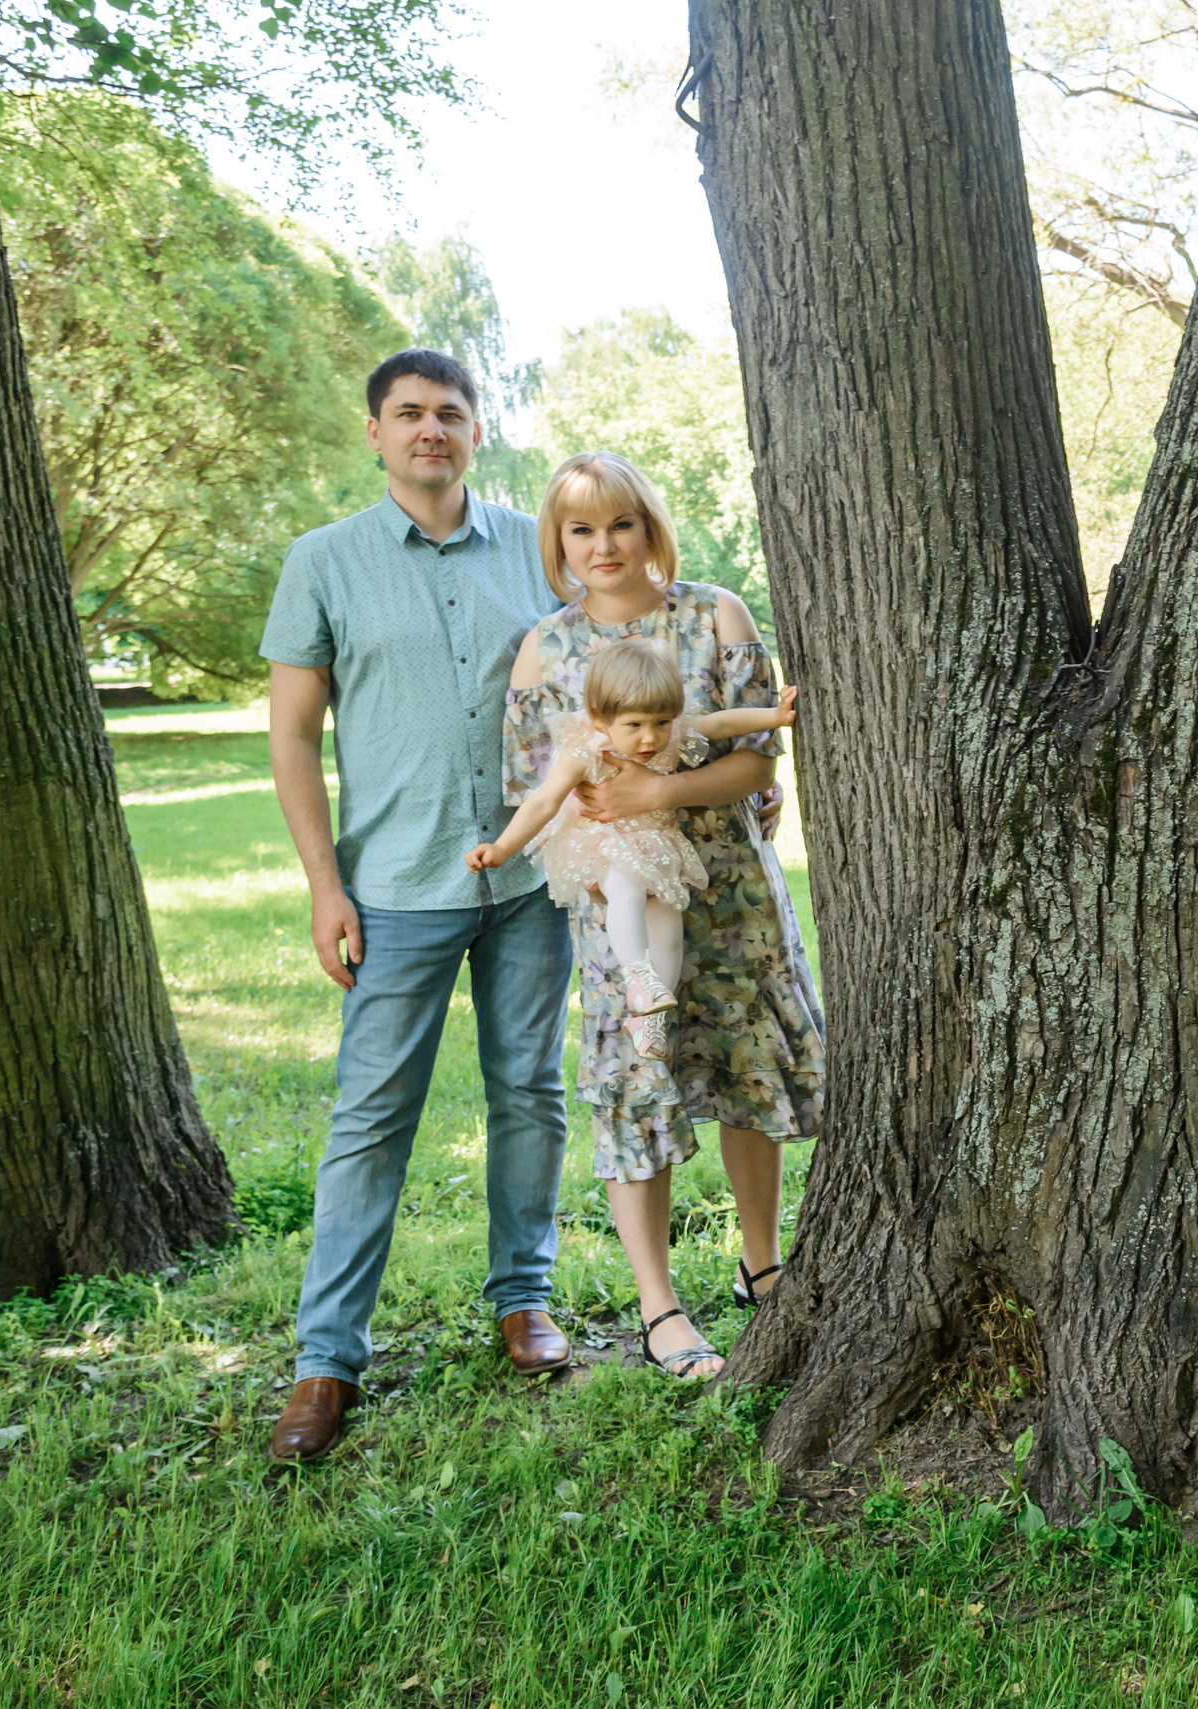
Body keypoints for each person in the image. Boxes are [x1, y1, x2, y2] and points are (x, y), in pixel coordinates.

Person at [262, 349, 573, 1464]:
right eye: (409, 414)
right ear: (375, 434)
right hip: (393, 889)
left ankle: (522, 1299)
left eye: (450, 411)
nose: (430, 429)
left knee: (529, 1092)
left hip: (532, 883)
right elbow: (292, 735)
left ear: (476, 431)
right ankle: (324, 1358)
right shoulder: (323, 561)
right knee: (369, 1120)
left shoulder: (538, 554)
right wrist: (323, 884)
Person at [503, 451, 824, 1381]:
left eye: (620, 524)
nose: (603, 546)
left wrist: (660, 786)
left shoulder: (712, 613)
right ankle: (659, 1307)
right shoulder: (545, 649)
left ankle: (761, 1263)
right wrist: (616, 809)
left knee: (742, 1064)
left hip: (728, 888)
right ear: (559, 542)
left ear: (649, 526)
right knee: (637, 1076)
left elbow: (758, 761)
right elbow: (536, 783)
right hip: (622, 906)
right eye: (580, 529)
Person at [470, 637, 799, 1062]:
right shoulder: (585, 745)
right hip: (600, 844)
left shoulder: (669, 730)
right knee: (624, 884)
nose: (650, 738)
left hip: (655, 846)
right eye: (636, 726)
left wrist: (775, 716)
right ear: (601, 719)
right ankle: (638, 977)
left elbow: (721, 724)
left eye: (661, 723)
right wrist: (501, 847)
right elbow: (543, 801)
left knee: (668, 929)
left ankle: (648, 1017)